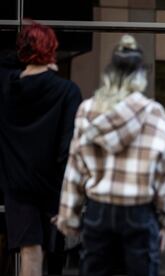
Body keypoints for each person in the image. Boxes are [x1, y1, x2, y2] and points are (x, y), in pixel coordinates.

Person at [54, 34, 165, 276]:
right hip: (140, 214)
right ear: (141, 76)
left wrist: (68, 215)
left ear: (109, 73)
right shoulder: (154, 113)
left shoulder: (87, 111)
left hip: (98, 212)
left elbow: (75, 167)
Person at [0, 22, 82, 276]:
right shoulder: (67, 91)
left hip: (17, 187)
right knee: (47, 256)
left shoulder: (6, 85)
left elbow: (6, 61)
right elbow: (67, 149)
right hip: (52, 188)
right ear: (52, 51)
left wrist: (30, 52)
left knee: (31, 252)